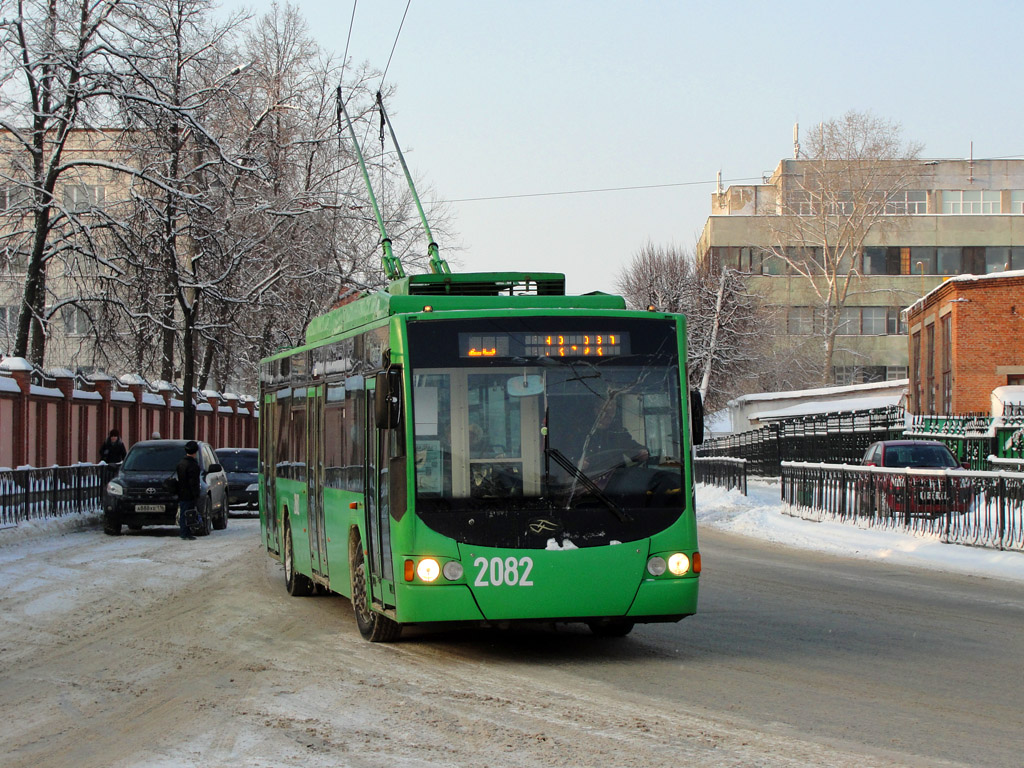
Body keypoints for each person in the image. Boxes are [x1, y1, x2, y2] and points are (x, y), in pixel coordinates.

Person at [175, 440, 202, 540]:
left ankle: (184, 531)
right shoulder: (193, 465)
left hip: (181, 491)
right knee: (189, 512)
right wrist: (196, 494)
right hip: (189, 492)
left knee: (183, 512)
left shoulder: (181, 463)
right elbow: (193, 481)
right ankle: (186, 532)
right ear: (195, 451)